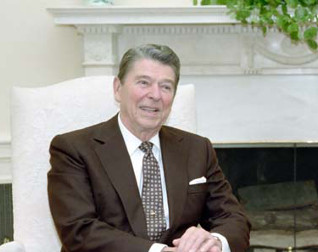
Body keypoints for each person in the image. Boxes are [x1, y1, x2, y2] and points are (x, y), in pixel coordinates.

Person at [47, 44, 250, 252]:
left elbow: (232, 217)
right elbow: (78, 230)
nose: (155, 95)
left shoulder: (197, 149)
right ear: (118, 89)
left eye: (166, 86)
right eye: (144, 83)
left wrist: (214, 242)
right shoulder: (74, 149)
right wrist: (158, 251)